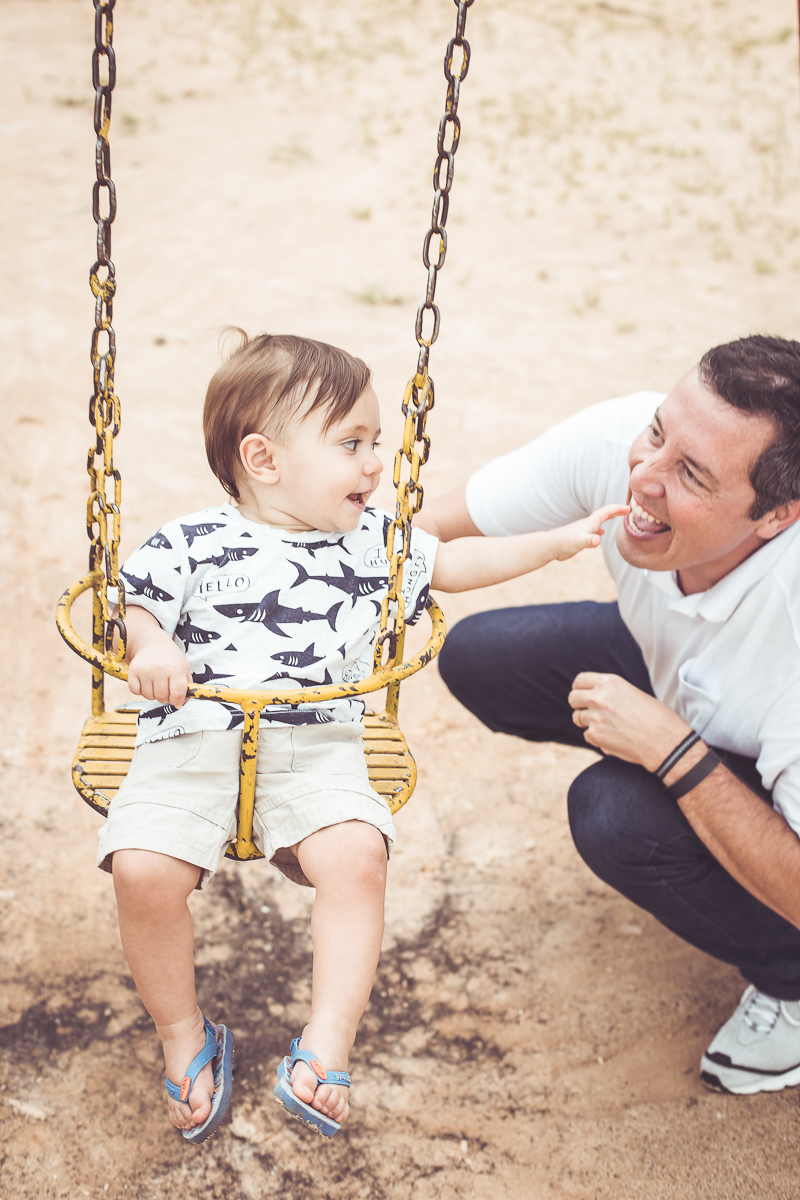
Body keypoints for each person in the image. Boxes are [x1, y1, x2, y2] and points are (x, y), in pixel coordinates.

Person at [100, 330, 625, 1143]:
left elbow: (454, 566)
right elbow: (137, 606)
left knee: (358, 857)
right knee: (140, 871)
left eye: (376, 441)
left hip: (315, 745)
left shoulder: (375, 541)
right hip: (192, 744)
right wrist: (152, 646)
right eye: (352, 444)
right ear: (264, 459)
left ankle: (327, 1043)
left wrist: (558, 545)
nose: (376, 463)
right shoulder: (189, 541)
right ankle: (183, 1033)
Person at [416, 334, 800, 1097]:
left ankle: (789, 980)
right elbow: (426, 527)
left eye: (691, 475)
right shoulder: (628, 447)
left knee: (615, 815)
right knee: (480, 657)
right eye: (658, 433)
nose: (643, 476)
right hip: (688, 675)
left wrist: (676, 754)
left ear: (777, 515)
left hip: (761, 717)